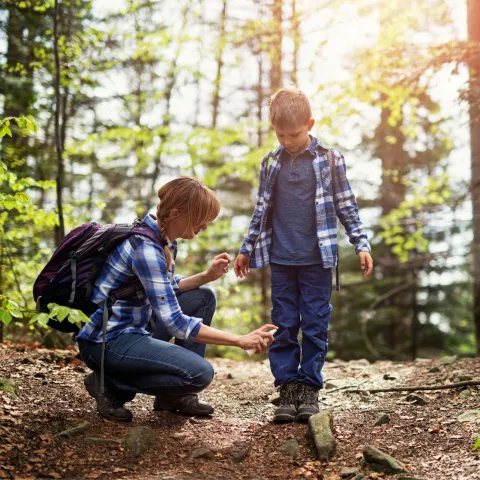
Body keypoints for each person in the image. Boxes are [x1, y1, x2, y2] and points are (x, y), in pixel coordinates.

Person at [77, 177, 277, 422]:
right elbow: (175, 322)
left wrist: (206, 276)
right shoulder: (147, 248)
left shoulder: (162, 240)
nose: (204, 226)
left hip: (135, 328)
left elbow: (165, 289)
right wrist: (239, 340)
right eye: (201, 219)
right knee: (199, 374)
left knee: (202, 297)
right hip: (107, 340)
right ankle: (109, 384)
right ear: (175, 213)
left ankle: (173, 397)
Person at [234, 87, 373, 424]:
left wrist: (362, 243)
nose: (287, 140)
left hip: (317, 261)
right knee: (283, 324)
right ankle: (287, 386)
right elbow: (261, 210)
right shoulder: (271, 162)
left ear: (310, 123)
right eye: (280, 134)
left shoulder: (329, 159)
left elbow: (346, 205)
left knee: (314, 324)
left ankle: (309, 387)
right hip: (281, 260)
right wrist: (246, 248)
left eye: (294, 134)